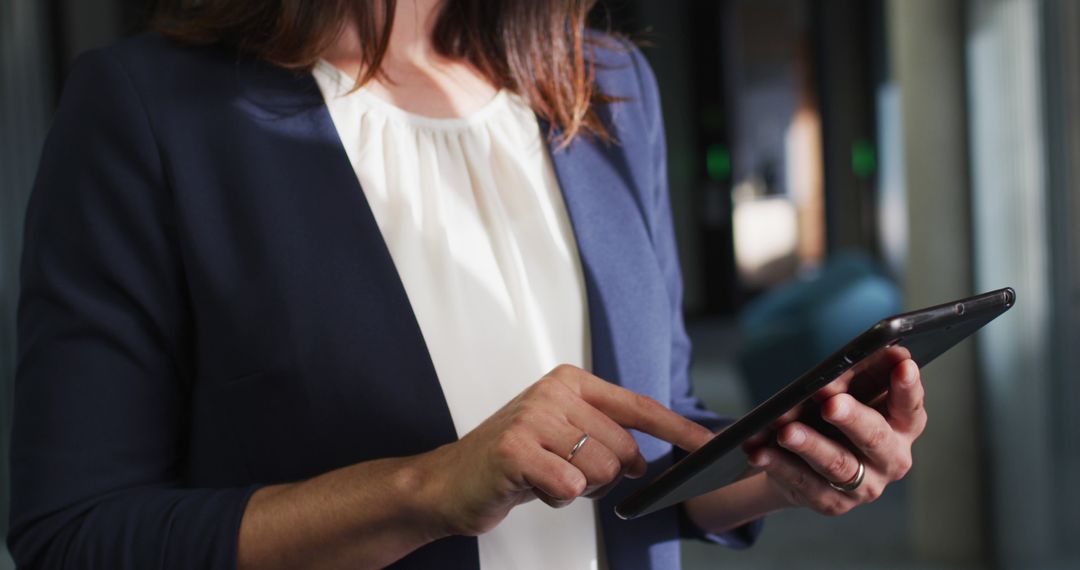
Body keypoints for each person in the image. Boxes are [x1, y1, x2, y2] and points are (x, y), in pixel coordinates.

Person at [7, 1, 928, 568]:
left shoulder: (605, 87)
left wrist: (790, 469)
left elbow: (655, 442)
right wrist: (426, 488)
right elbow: (76, 532)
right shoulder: (147, 111)